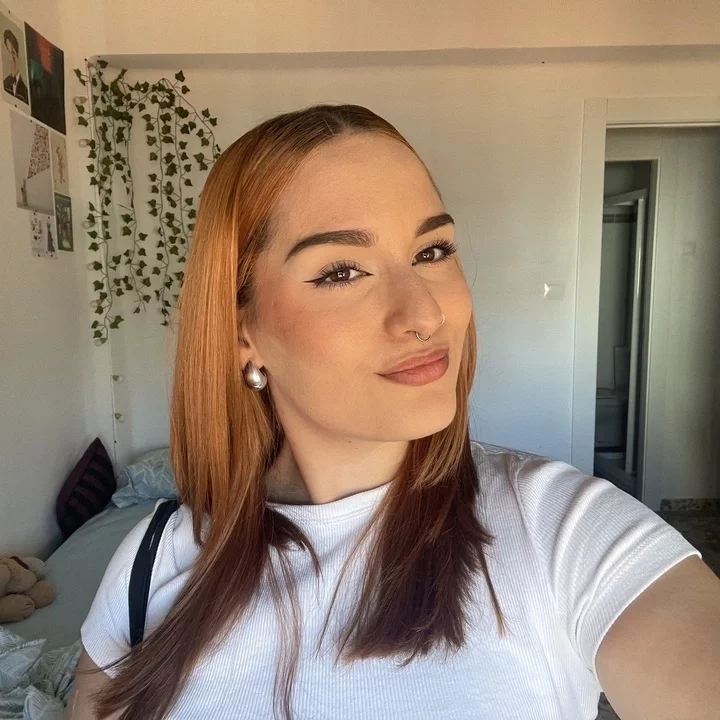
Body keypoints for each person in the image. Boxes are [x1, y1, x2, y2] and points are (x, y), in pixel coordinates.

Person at [63, 104, 720, 720]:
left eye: (432, 252)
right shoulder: (151, 564)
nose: (426, 314)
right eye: (342, 271)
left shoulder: (564, 530)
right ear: (243, 335)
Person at [2, 29, 28, 104]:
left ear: (19, 58)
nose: (11, 59)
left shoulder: (25, 92)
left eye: (13, 53)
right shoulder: (4, 84)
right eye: (9, 52)